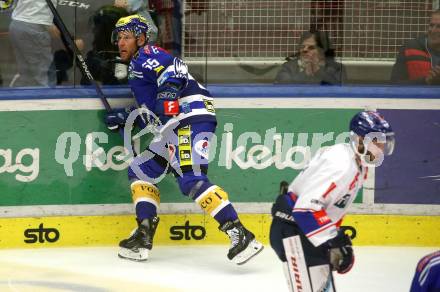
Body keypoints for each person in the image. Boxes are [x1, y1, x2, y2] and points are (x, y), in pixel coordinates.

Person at [104, 14, 263, 264]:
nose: (121, 43)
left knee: (191, 179)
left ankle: (242, 235)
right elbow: (153, 112)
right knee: (141, 170)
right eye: (119, 38)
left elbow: (175, 69)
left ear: (142, 38)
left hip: (190, 118)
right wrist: (125, 117)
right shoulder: (137, 67)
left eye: (127, 37)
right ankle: (144, 233)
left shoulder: (148, 54)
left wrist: (166, 96)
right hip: (172, 127)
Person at [269, 111, 395, 291]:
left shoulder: (355, 162)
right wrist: (333, 240)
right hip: (295, 233)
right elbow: (305, 209)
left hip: (306, 231)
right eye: (376, 141)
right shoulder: (341, 165)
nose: (381, 148)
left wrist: (333, 237)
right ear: (358, 140)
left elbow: (326, 207)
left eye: (383, 142)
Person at [8, 0, 58, 87]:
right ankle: (48, 97)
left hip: (17, 23)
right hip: (33, 24)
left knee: (27, 73)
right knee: (44, 73)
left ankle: (26, 97)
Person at [274, 30, 346, 85]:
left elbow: (339, 88)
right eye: (302, 47)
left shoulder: (337, 68)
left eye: (311, 47)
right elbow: (283, 87)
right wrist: (305, 73)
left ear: (322, 50)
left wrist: (318, 70)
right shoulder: (288, 67)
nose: (305, 50)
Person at [391, 10, 440, 85]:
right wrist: (425, 81)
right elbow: (395, 84)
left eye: (439, 27)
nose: (433, 30)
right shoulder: (409, 49)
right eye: (431, 25)